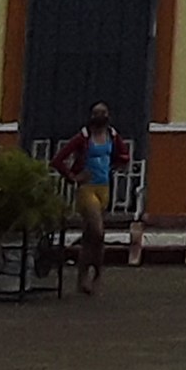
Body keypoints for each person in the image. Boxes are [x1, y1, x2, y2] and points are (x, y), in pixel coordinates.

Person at [58, 103, 124, 295]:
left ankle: (88, 277)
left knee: (90, 238)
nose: (100, 116)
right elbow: (59, 159)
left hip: (104, 188)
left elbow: (123, 155)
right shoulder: (83, 138)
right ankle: (90, 275)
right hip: (87, 188)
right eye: (96, 113)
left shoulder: (112, 136)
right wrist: (73, 177)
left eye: (103, 113)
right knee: (98, 232)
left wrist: (114, 167)